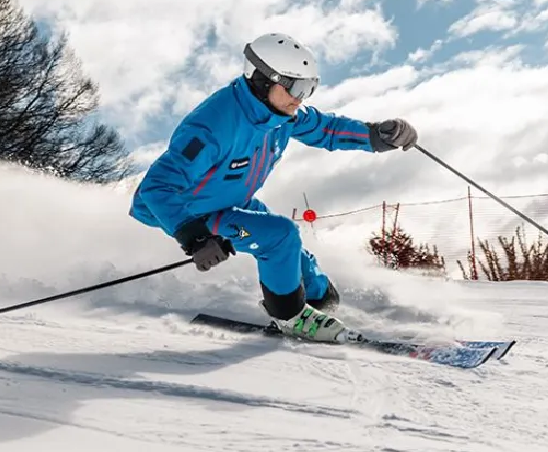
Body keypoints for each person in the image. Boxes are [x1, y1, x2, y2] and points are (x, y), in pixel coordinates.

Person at [129, 33, 418, 343]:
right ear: (265, 81)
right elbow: (157, 186)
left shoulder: (282, 116)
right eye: (295, 87)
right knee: (278, 236)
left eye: (308, 88)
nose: (301, 98)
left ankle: (311, 305)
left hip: (229, 201)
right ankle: (290, 317)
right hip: (190, 210)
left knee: (311, 278)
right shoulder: (213, 126)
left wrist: (376, 136)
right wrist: (194, 236)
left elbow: (326, 129)